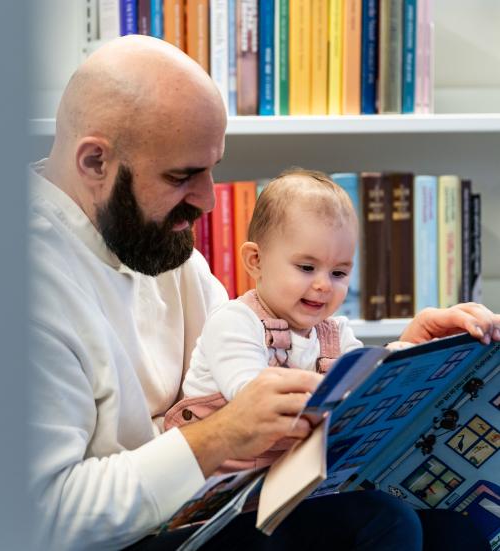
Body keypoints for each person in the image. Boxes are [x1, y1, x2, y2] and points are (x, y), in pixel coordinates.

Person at [29, 34, 498, 550]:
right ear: (95, 162)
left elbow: (265, 356)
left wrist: (396, 364)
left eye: (212, 169)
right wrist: (220, 435)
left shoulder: (153, 239)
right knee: (372, 528)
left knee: (455, 532)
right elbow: (41, 517)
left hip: (214, 506)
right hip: (128, 537)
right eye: (183, 176)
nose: (207, 200)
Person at [165, 168, 412, 472]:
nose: (323, 285)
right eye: (307, 267)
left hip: (289, 477)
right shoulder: (234, 322)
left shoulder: (335, 334)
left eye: (338, 273)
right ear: (256, 261)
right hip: (222, 485)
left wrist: (398, 360)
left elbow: (364, 384)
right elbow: (252, 398)